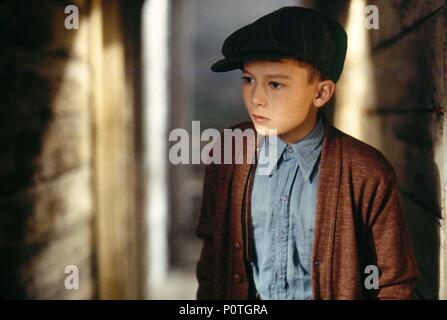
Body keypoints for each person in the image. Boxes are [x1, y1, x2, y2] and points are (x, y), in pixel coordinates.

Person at [195, 6, 419, 300]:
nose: (256, 98)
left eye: (275, 84)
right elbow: (213, 257)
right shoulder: (228, 153)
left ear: (321, 93)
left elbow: (394, 284)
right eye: (248, 80)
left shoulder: (368, 172)